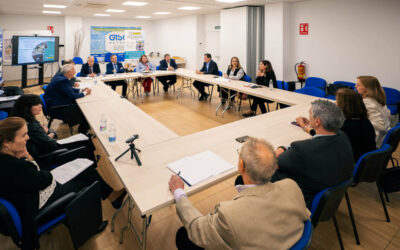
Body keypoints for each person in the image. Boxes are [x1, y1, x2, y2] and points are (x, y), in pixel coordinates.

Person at [0, 117, 127, 249]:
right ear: (7, 143)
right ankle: (90, 226)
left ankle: (113, 197)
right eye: (24, 135)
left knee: (86, 171)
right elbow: (45, 178)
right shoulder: (16, 168)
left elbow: (36, 178)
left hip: (30, 196)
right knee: (86, 183)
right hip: (37, 204)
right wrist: (28, 157)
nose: (28, 138)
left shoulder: (6, 160)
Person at [169, 137, 310, 250]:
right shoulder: (291, 186)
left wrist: (179, 192)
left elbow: (197, 228)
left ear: (241, 165)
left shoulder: (229, 215)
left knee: (183, 236)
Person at [271, 100, 354, 209]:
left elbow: (275, 162)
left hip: (301, 201)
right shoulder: (343, 136)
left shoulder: (302, 150)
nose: (309, 117)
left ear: (318, 121)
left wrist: (281, 148)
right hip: (327, 195)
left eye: (310, 114)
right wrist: (307, 127)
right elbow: (322, 137)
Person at [296, 89, 376, 162]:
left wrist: (303, 126)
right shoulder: (363, 120)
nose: (335, 104)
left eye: (337, 101)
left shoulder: (346, 127)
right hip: (364, 162)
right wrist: (312, 123)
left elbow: (322, 136)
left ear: (344, 105)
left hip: (348, 164)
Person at [11, 94, 97, 161]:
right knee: (85, 143)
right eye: (37, 105)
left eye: (40, 103)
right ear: (27, 108)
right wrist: (51, 133)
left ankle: (92, 159)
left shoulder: (23, 119)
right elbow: (50, 144)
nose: (40, 106)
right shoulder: (30, 125)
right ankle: (91, 162)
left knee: (85, 140)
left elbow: (47, 133)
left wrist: (48, 132)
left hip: (44, 145)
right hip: (45, 154)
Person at [44, 64, 91, 134]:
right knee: (85, 109)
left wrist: (81, 90)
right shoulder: (63, 80)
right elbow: (73, 96)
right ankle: (83, 131)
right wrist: (85, 93)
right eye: (73, 70)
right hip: (58, 108)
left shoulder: (61, 77)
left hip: (55, 103)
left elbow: (69, 90)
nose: (75, 71)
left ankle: (83, 129)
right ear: (68, 72)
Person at [355, 76, 391, 147]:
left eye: (358, 85)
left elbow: (379, 126)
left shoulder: (367, 103)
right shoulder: (378, 100)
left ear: (367, 89)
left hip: (376, 141)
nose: (355, 86)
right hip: (384, 137)